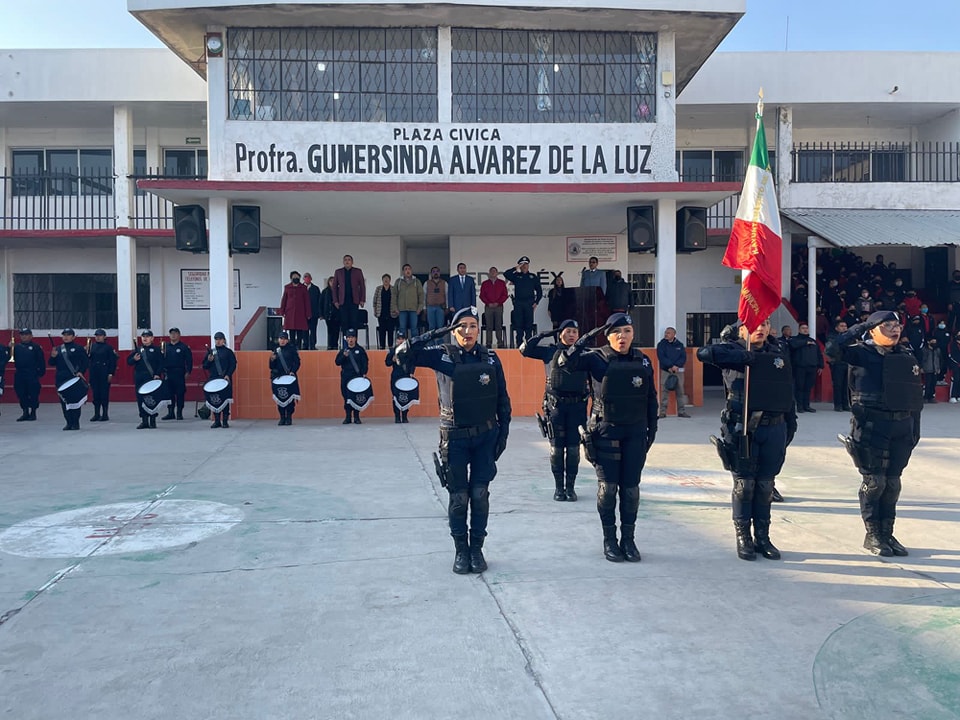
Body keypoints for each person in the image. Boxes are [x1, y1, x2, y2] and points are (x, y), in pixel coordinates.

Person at [394, 306, 511, 574]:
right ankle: (461, 551)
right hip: (454, 438)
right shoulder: (442, 356)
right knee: (459, 498)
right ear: (452, 330)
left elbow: (502, 398)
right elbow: (401, 355)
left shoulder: (491, 358)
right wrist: (436, 333)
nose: (467, 332)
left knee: (480, 495)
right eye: (461, 327)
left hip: (485, 435)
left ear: (479, 330)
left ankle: (477, 549)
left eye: (472, 326)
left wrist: (503, 433)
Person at [558, 313, 658, 562]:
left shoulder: (643, 361)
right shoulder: (596, 358)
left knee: (631, 488)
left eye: (626, 331)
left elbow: (651, 399)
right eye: (615, 332)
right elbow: (565, 363)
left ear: (633, 333)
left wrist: (651, 431)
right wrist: (584, 340)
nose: (621, 336)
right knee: (608, 488)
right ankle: (610, 540)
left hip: (635, 432)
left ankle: (629, 540)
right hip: (606, 431)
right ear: (607, 335)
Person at [697, 318, 797, 561]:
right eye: (753, 326)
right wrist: (739, 350)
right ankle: (744, 537)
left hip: (775, 426)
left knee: (765, 487)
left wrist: (790, 425)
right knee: (745, 487)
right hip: (742, 429)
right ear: (742, 330)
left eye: (764, 324)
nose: (760, 329)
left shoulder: (778, 352)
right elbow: (704, 353)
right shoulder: (734, 353)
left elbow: (787, 390)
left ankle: (763, 537)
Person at [827, 311, 923, 557]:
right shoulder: (861, 354)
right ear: (872, 330)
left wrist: (915, 429)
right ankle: (873, 535)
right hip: (872, 426)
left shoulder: (906, 355)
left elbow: (914, 396)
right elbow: (832, 350)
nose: (895, 329)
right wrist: (859, 326)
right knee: (874, 482)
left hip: (902, 427)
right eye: (887, 325)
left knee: (892, 483)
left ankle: (887, 532)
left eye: (897, 325)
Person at [520, 319, 589, 502]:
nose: (572, 335)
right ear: (560, 333)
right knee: (557, 450)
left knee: (573, 450)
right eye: (568, 331)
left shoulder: (585, 352)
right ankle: (559, 488)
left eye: (575, 331)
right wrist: (543, 334)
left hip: (577, 407)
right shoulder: (550, 351)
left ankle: (571, 488)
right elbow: (524, 350)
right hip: (556, 407)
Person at [49, 328, 89, 431]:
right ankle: (68, 422)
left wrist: (81, 371)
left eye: (68, 335)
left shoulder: (78, 348)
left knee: (75, 402)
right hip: (61, 378)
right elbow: (51, 363)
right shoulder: (57, 349)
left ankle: (75, 423)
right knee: (64, 401)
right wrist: (53, 357)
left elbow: (85, 362)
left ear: (73, 337)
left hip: (73, 377)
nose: (66, 337)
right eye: (64, 335)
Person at [127, 330, 164, 429]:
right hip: (139, 377)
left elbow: (161, 363)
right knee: (140, 399)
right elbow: (128, 362)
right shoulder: (138, 350)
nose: (145, 338)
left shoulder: (156, 350)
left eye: (147, 336)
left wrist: (157, 374)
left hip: (151, 377)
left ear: (152, 338)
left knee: (151, 398)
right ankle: (144, 420)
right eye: (143, 336)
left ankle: (152, 420)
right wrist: (134, 359)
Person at [504, 256, 542, 347]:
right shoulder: (516, 276)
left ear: (528, 266)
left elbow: (539, 291)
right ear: (520, 266)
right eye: (523, 264)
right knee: (519, 326)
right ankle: (519, 345)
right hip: (518, 304)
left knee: (529, 326)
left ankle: (528, 346)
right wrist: (516, 268)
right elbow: (506, 274)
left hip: (529, 304)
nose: (525, 266)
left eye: (526, 264)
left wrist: (536, 302)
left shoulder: (533, 277)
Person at [203, 331, 237, 429]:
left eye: (220, 339)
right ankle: (217, 421)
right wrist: (209, 361)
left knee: (225, 400)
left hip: (225, 378)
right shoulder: (211, 352)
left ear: (224, 340)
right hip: (214, 379)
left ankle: (225, 421)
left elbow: (233, 364)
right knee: (215, 399)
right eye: (216, 339)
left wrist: (228, 375)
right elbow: (205, 366)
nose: (218, 341)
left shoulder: (228, 352)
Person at [335, 327, 369, 424]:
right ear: (346, 339)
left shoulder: (360, 350)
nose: (350, 339)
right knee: (346, 397)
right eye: (349, 337)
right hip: (346, 376)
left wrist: (364, 373)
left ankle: (357, 417)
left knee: (356, 397)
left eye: (352, 337)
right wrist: (343, 356)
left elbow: (365, 363)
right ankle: (348, 417)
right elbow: (337, 362)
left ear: (356, 338)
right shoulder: (343, 350)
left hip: (356, 377)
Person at [788, 322, 823, 412]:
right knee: (800, 387)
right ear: (799, 330)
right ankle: (799, 406)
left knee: (808, 387)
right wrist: (805, 342)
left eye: (806, 328)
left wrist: (820, 366)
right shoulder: (795, 339)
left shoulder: (813, 341)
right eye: (803, 328)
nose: (805, 330)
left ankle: (806, 405)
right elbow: (793, 345)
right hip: (800, 367)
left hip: (812, 367)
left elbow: (819, 354)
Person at [656, 327, 690, 419]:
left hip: (678, 371)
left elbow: (683, 357)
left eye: (668, 333)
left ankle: (681, 412)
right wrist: (670, 366)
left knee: (680, 391)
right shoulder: (661, 345)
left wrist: (676, 366)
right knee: (664, 392)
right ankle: (662, 412)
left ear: (674, 334)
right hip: (666, 371)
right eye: (666, 333)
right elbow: (661, 357)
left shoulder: (680, 345)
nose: (666, 334)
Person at [13, 328, 46, 421]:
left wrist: (40, 373)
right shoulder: (16, 347)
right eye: (22, 334)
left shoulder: (36, 347)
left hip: (32, 373)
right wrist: (9, 348)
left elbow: (41, 361)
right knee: (21, 393)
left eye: (26, 334)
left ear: (31, 336)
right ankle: (25, 412)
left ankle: (33, 412)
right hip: (20, 373)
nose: (24, 336)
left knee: (33, 393)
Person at [161, 328, 193, 421]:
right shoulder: (165, 346)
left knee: (180, 393)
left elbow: (189, 361)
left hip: (179, 373)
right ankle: (170, 413)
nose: (173, 335)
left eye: (175, 333)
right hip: (168, 372)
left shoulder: (184, 347)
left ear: (179, 335)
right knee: (169, 393)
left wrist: (188, 372)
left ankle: (179, 413)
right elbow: (161, 359)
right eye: (171, 334)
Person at [270, 331, 301, 426]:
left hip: (289, 377)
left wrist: (293, 371)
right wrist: (272, 360)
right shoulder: (276, 350)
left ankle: (289, 417)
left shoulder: (292, 350)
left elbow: (297, 362)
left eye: (284, 339)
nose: (282, 341)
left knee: (290, 398)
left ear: (287, 340)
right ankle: (282, 417)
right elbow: (271, 366)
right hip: (278, 378)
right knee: (280, 397)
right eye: (281, 339)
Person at [87, 328, 117, 422]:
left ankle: (105, 414)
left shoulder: (108, 348)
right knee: (96, 394)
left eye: (100, 335)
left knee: (104, 393)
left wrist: (111, 373)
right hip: (94, 372)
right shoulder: (92, 346)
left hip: (104, 371)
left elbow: (112, 361)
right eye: (96, 336)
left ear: (104, 337)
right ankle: (96, 414)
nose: (98, 337)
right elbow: (88, 358)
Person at [385, 331, 415, 423]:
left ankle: (405, 416)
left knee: (406, 395)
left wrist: (411, 372)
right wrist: (392, 360)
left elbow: (412, 362)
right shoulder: (393, 351)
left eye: (402, 339)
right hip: (396, 376)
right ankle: (397, 416)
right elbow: (387, 363)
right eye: (399, 339)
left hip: (405, 375)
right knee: (395, 396)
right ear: (396, 340)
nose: (400, 341)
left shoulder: (409, 351)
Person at [334, 254, 366, 337]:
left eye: (349, 260)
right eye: (345, 260)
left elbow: (362, 285)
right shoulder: (338, 272)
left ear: (352, 262)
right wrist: (336, 301)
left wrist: (362, 299)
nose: (347, 261)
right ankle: (345, 343)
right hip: (343, 302)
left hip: (354, 301)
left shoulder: (358, 271)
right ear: (343, 262)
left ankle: (354, 343)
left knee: (354, 322)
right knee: (344, 323)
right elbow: (334, 287)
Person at [392, 264, 424, 340]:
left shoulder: (417, 281)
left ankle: (415, 346)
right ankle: (402, 346)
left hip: (414, 309)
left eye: (409, 269)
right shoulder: (398, 282)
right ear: (403, 271)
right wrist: (395, 307)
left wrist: (420, 307)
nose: (408, 271)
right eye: (406, 269)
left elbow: (421, 295)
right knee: (402, 328)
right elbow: (394, 295)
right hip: (402, 309)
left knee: (414, 329)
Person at [479, 266, 508, 348]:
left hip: (499, 306)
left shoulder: (502, 283)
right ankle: (488, 343)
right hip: (488, 307)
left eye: (494, 271)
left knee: (499, 325)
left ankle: (500, 343)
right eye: (491, 271)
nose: (493, 273)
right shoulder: (485, 283)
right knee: (489, 326)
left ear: (497, 273)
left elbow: (505, 295)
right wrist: (488, 303)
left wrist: (498, 303)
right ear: (489, 273)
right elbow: (482, 295)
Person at [826, 320, 851, 412]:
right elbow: (831, 350)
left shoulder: (849, 337)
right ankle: (838, 404)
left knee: (846, 385)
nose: (844, 327)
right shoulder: (832, 337)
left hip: (847, 363)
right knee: (838, 385)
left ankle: (845, 404)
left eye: (845, 326)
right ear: (837, 328)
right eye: (841, 326)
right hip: (837, 363)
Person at [373, 273, 396, 350]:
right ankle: (381, 347)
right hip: (381, 313)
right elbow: (374, 301)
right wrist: (375, 310)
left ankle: (390, 347)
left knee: (390, 331)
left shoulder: (394, 289)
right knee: (382, 331)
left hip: (391, 313)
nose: (386, 280)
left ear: (390, 280)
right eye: (384, 279)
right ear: (382, 280)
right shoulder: (378, 289)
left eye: (387, 279)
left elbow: (397, 300)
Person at [319, 276, 341, 349]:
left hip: (337, 314)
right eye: (331, 281)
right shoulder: (325, 291)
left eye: (333, 281)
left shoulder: (339, 291)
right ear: (328, 282)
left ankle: (335, 345)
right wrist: (321, 314)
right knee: (330, 330)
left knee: (336, 330)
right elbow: (321, 303)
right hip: (328, 314)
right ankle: (330, 345)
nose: (332, 282)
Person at [424, 266, 448, 332]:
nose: (435, 273)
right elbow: (424, 296)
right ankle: (432, 342)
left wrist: (447, 307)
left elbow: (447, 295)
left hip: (440, 307)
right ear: (431, 274)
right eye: (434, 272)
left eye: (437, 271)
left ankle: (440, 342)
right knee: (431, 327)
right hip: (430, 307)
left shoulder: (444, 283)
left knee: (440, 327)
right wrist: (424, 308)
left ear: (439, 273)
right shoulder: (427, 283)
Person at [303, 273, 321, 350]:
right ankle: (305, 345)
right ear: (303, 279)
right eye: (305, 277)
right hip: (303, 314)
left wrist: (319, 313)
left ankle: (313, 345)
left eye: (308, 277)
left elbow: (319, 301)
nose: (307, 279)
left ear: (311, 278)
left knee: (313, 330)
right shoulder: (300, 288)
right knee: (304, 330)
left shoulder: (316, 289)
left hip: (314, 314)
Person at [921, 337, 941, 403]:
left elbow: (940, 360)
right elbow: (922, 359)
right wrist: (921, 367)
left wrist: (938, 368)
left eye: (935, 342)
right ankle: (926, 397)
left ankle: (931, 397)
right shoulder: (924, 350)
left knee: (933, 384)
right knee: (928, 384)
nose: (934, 343)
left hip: (935, 369)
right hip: (927, 369)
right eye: (933, 342)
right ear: (928, 342)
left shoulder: (937, 350)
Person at [948, 331, 960, 403]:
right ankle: (953, 395)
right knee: (956, 379)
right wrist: (957, 362)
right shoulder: (952, 344)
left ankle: (959, 395)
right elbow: (950, 355)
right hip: (955, 364)